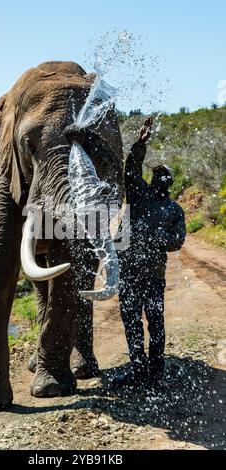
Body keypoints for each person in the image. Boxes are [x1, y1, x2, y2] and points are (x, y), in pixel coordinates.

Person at [115, 116, 186, 388]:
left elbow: (177, 241)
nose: (159, 178)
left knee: (155, 324)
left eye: (163, 176)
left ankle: (155, 374)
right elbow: (131, 170)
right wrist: (140, 144)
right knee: (131, 322)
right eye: (156, 174)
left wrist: (154, 236)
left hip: (154, 276)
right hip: (129, 272)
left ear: (168, 183)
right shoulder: (138, 194)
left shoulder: (174, 211)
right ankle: (137, 369)